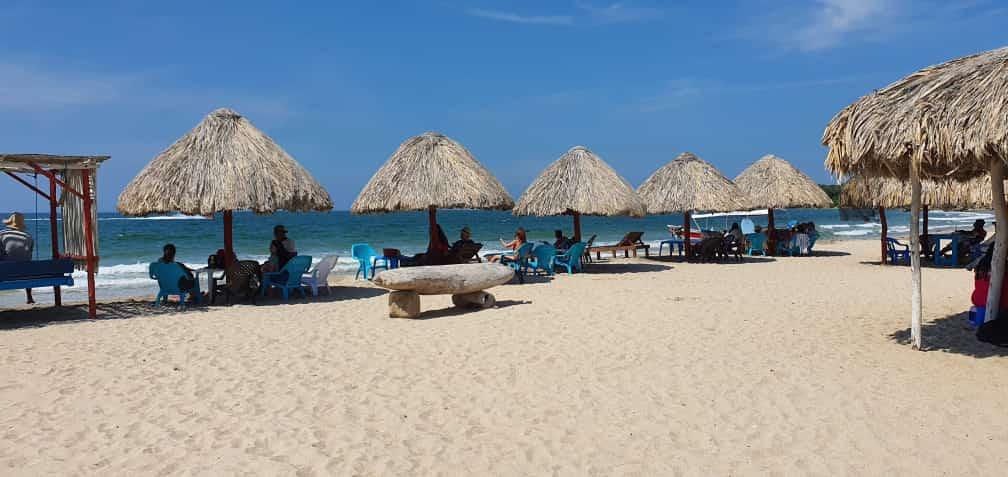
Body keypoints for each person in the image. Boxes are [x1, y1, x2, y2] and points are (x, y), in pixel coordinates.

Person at [1, 213, 35, 304]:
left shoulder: (2, 235)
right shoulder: (28, 237)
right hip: (25, 273)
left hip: (5, 272)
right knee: (27, 266)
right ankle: (29, 297)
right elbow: (29, 255)